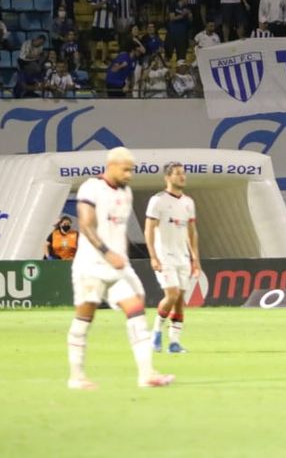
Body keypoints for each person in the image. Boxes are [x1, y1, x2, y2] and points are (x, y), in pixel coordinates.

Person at [66, 147, 174, 390]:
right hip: (91, 266)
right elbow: (86, 225)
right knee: (84, 317)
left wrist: (123, 256)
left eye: (131, 170)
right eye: (125, 169)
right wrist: (107, 252)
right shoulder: (91, 188)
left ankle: (146, 374)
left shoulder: (126, 192)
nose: (129, 175)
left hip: (117, 268)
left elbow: (119, 229)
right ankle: (76, 376)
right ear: (111, 165)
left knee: (136, 312)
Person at [145, 162, 200, 354]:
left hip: (182, 257)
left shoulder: (188, 202)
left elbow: (192, 233)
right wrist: (153, 256)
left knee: (179, 300)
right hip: (164, 255)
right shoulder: (157, 201)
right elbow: (149, 229)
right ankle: (156, 332)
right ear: (167, 177)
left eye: (183, 173)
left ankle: (174, 343)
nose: (182, 177)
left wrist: (195, 259)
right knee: (172, 294)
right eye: (178, 174)